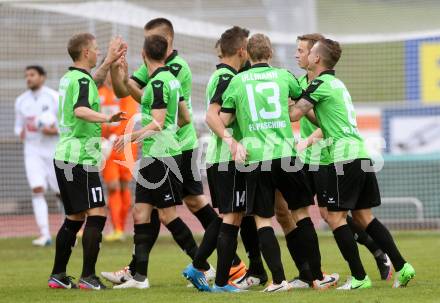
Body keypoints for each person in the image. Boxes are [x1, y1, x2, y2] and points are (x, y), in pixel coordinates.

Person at [102, 17, 223, 285]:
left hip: (164, 152)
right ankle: (139, 276)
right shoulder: (164, 76)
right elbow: (184, 116)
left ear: (148, 51)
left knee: (170, 213)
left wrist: (135, 135)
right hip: (156, 151)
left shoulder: (166, 76)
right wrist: (117, 70)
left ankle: (202, 264)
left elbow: (157, 118)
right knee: (142, 212)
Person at [289, 38, 415, 290]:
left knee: (335, 218)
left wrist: (273, 97)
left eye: (309, 51)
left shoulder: (320, 84)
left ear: (316, 59)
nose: (303, 55)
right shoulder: (335, 83)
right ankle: (402, 266)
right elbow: (319, 119)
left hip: (342, 157)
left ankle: (359, 277)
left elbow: (294, 115)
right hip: (359, 153)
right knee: (364, 216)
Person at [219, 33, 312, 293]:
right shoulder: (284, 76)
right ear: (270, 53)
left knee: (263, 219)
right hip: (286, 154)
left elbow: (223, 120)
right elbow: (304, 102)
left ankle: (280, 280)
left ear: (247, 54)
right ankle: (314, 275)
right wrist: (291, 114)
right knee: (300, 214)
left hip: (256, 157)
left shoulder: (237, 82)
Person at [183, 26, 267, 292]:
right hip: (226, 159)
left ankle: (197, 267)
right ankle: (220, 282)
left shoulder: (225, 74)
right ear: (242, 50)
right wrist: (231, 141)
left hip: (224, 159)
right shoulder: (226, 77)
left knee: (229, 218)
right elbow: (211, 116)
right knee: (232, 219)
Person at [48, 32, 126, 290]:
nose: (97, 51)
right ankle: (88, 277)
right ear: (85, 53)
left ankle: (58, 275)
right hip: (80, 158)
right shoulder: (81, 81)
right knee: (97, 214)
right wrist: (108, 118)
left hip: (66, 156)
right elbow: (80, 110)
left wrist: (108, 61)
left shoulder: (71, 77)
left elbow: (92, 83)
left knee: (74, 217)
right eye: (95, 48)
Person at [14, 65, 59, 247]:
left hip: (54, 150)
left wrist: (53, 131)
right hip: (32, 151)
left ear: (42, 77)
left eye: (32, 75)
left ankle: (71, 228)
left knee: (61, 192)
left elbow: (66, 125)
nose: (29, 78)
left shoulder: (54, 97)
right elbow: (18, 126)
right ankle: (44, 234)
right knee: (37, 189)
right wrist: (21, 133)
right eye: (27, 75)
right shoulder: (21, 101)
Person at [99, 72, 138, 242]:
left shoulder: (126, 92)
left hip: (125, 144)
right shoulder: (99, 92)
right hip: (107, 146)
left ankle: (122, 227)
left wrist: (116, 135)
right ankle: (117, 228)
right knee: (113, 186)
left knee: (124, 186)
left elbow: (128, 117)